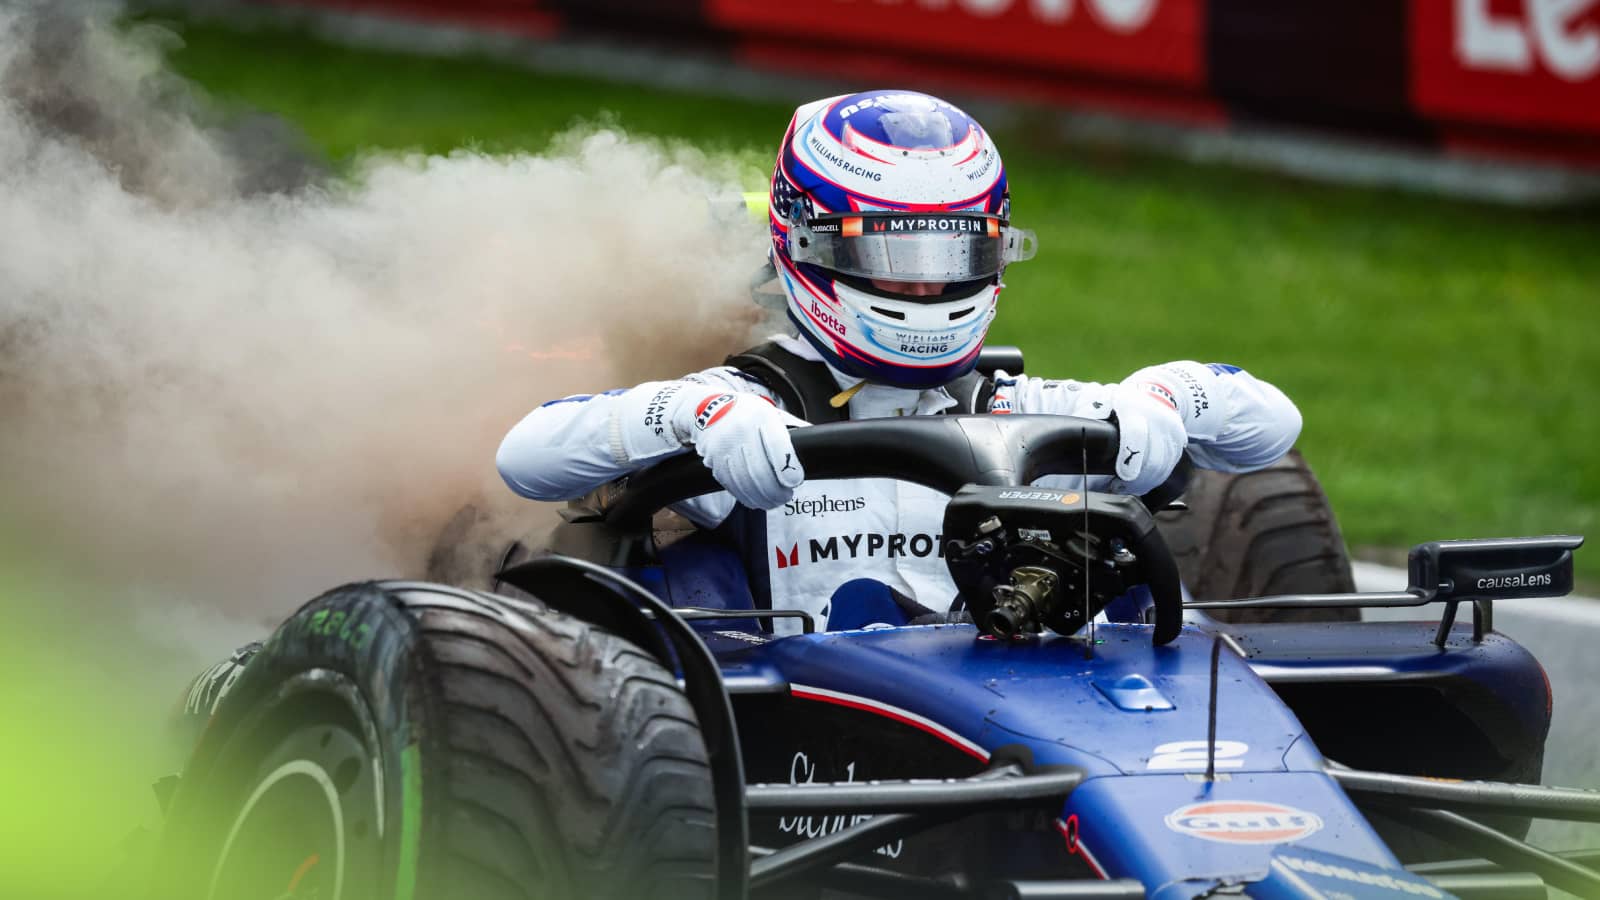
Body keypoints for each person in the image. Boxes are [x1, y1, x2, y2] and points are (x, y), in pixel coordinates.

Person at [496, 90, 1300, 630]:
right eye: (893, 256)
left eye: (957, 257)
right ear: (806, 247)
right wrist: (691, 414)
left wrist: (1169, 395)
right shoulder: (743, 410)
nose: (927, 287)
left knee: (1139, 600)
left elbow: (1273, 425)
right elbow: (527, 454)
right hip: (807, 767)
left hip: (1057, 740)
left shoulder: (1024, 409)